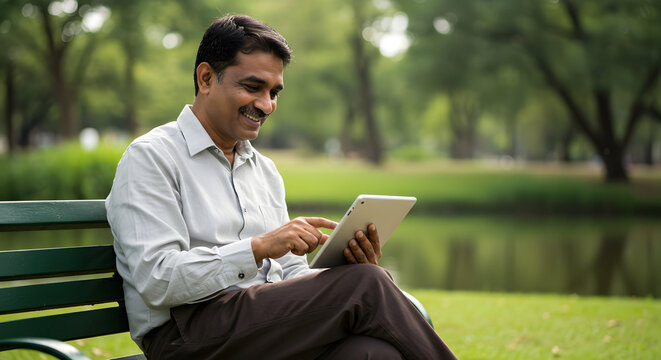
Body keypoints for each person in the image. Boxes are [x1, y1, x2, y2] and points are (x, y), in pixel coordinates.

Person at [106, 14, 456, 360]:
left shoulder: (264, 170)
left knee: (372, 351)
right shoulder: (151, 157)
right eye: (253, 87)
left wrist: (343, 269)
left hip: (260, 326)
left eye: (274, 92)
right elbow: (157, 280)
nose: (266, 104)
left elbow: (290, 273)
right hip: (185, 335)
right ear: (206, 78)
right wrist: (258, 247)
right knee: (368, 284)